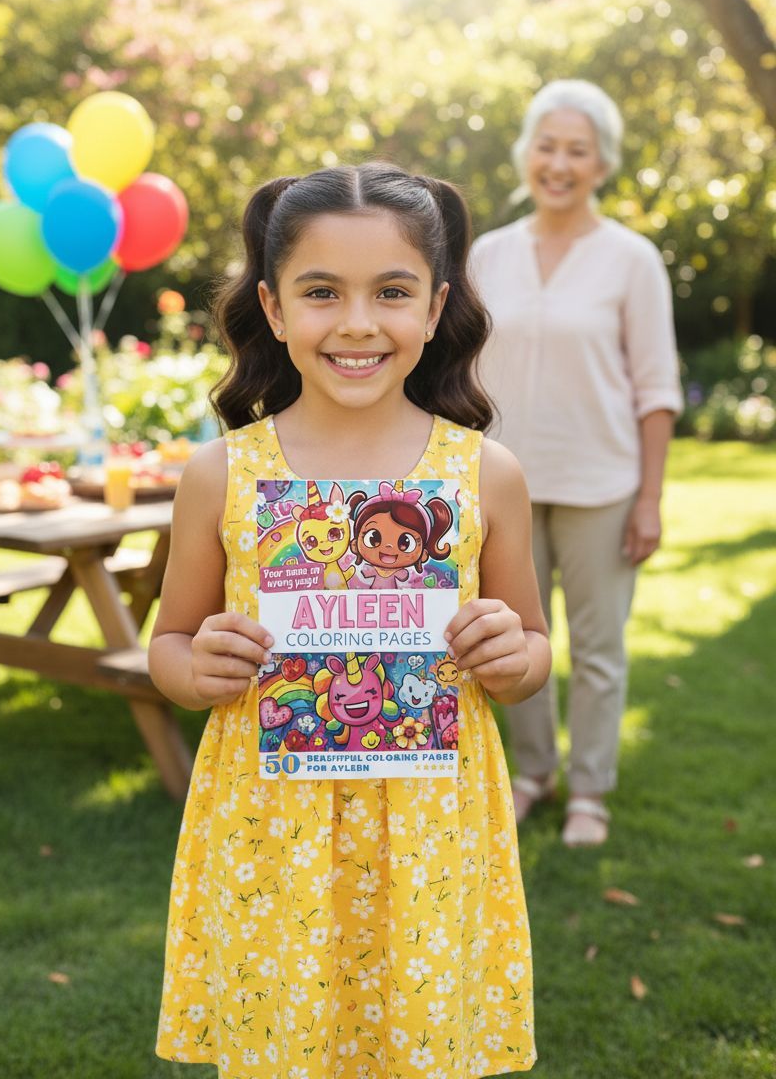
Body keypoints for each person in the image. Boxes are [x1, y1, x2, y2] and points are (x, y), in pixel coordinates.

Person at [149, 162, 551, 1077]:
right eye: (322, 292)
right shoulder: (224, 475)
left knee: (419, 1038)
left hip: (430, 832)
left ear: (437, 306)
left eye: (393, 292)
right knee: (285, 1039)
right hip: (270, 826)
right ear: (276, 308)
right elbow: (169, 647)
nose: (359, 322)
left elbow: (531, 651)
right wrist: (193, 664)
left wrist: (510, 654)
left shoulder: (486, 475)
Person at [469, 80, 683, 848]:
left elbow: (656, 388)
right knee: (515, 638)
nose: (558, 163)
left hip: (602, 483)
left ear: (601, 164)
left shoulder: (631, 259)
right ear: (527, 154)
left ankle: (590, 786)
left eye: (577, 150)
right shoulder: (488, 252)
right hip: (505, 487)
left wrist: (650, 498)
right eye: (546, 146)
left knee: (597, 647)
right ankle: (533, 773)